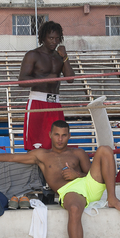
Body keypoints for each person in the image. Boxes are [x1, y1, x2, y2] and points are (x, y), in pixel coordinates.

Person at [18, 21, 75, 151]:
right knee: (36, 147)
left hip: (55, 104)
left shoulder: (59, 57)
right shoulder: (33, 55)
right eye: (50, 38)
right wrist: (45, 79)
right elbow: (22, 81)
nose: (54, 41)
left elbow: (70, 79)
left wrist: (65, 57)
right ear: (43, 38)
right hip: (38, 102)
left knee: (57, 147)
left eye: (57, 38)